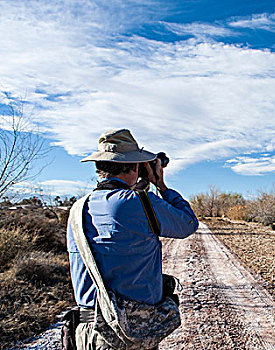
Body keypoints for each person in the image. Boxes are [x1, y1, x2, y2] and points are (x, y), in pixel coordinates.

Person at [67, 129, 198, 349]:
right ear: (135, 166)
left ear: (99, 167)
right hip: (128, 332)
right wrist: (160, 185)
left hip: (87, 330)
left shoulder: (78, 208)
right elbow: (187, 223)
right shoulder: (138, 202)